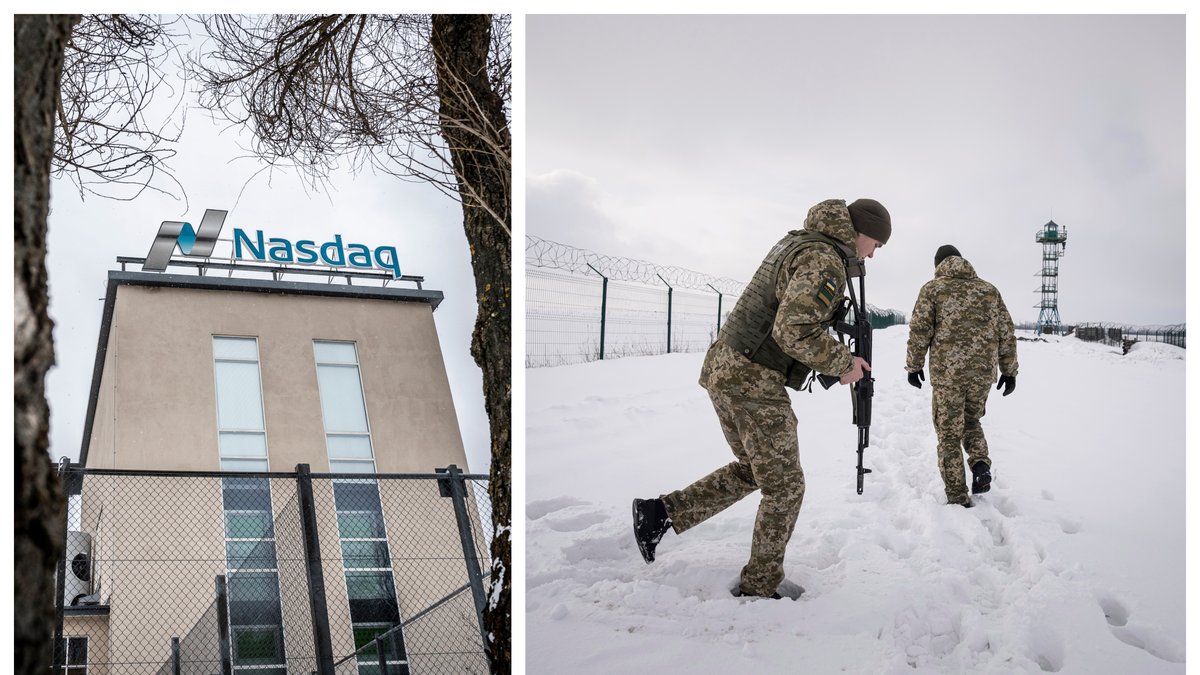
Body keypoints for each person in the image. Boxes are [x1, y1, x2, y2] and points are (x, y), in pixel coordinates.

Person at [632, 197, 891, 599]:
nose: (873, 254)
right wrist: (843, 363)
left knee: (757, 470)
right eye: (876, 243)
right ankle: (760, 585)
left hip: (728, 368)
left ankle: (659, 514)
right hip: (750, 378)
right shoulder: (823, 259)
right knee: (786, 485)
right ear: (861, 231)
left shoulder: (802, 242)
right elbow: (793, 330)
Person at [905, 245, 1018, 508]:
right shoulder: (989, 291)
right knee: (971, 421)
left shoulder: (933, 289)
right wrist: (1009, 371)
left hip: (948, 376)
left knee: (948, 434)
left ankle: (957, 497)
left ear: (938, 265)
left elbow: (920, 331)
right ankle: (980, 464)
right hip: (981, 374)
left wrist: (914, 366)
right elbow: (1006, 332)